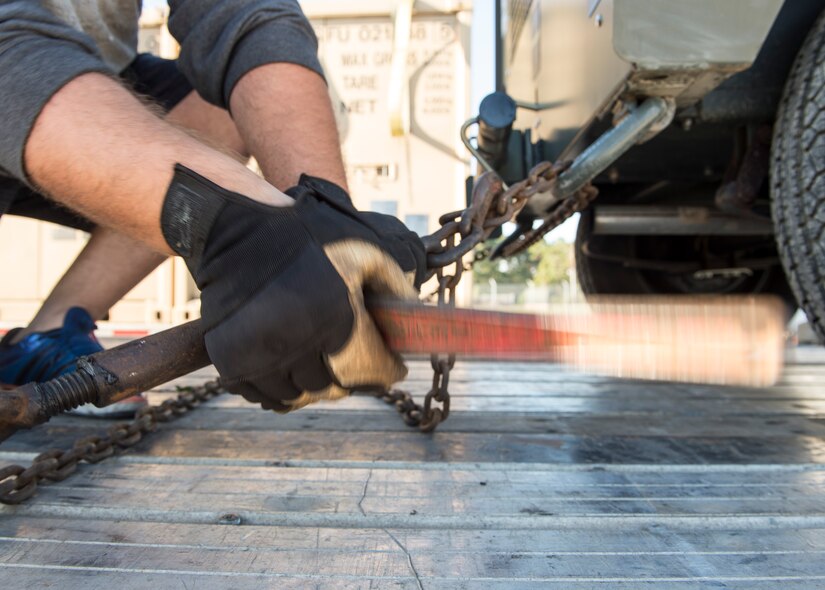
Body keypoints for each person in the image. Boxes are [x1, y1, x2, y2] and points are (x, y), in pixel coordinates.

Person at [0, 1, 426, 416]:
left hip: (85, 89)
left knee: (227, 97)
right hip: (25, 80)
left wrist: (327, 227)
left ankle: (46, 334)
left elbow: (248, 13)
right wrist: (239, 229)